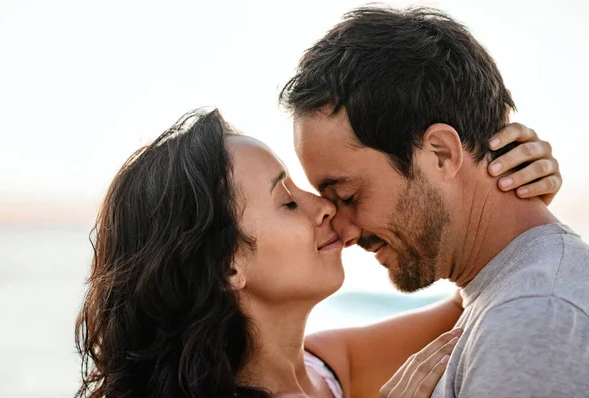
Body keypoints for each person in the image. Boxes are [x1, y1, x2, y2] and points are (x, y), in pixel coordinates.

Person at [75, 108, 562, 398]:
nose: (323, 206)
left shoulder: (325, 370)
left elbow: (473, 291)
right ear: (228, 263)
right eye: (287, 200)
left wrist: (503, 187)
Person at [280, 6, 588, 397]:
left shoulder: (532, 320)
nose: (343, 229)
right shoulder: (508, 303)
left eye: (348, 195)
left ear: (441, 153)